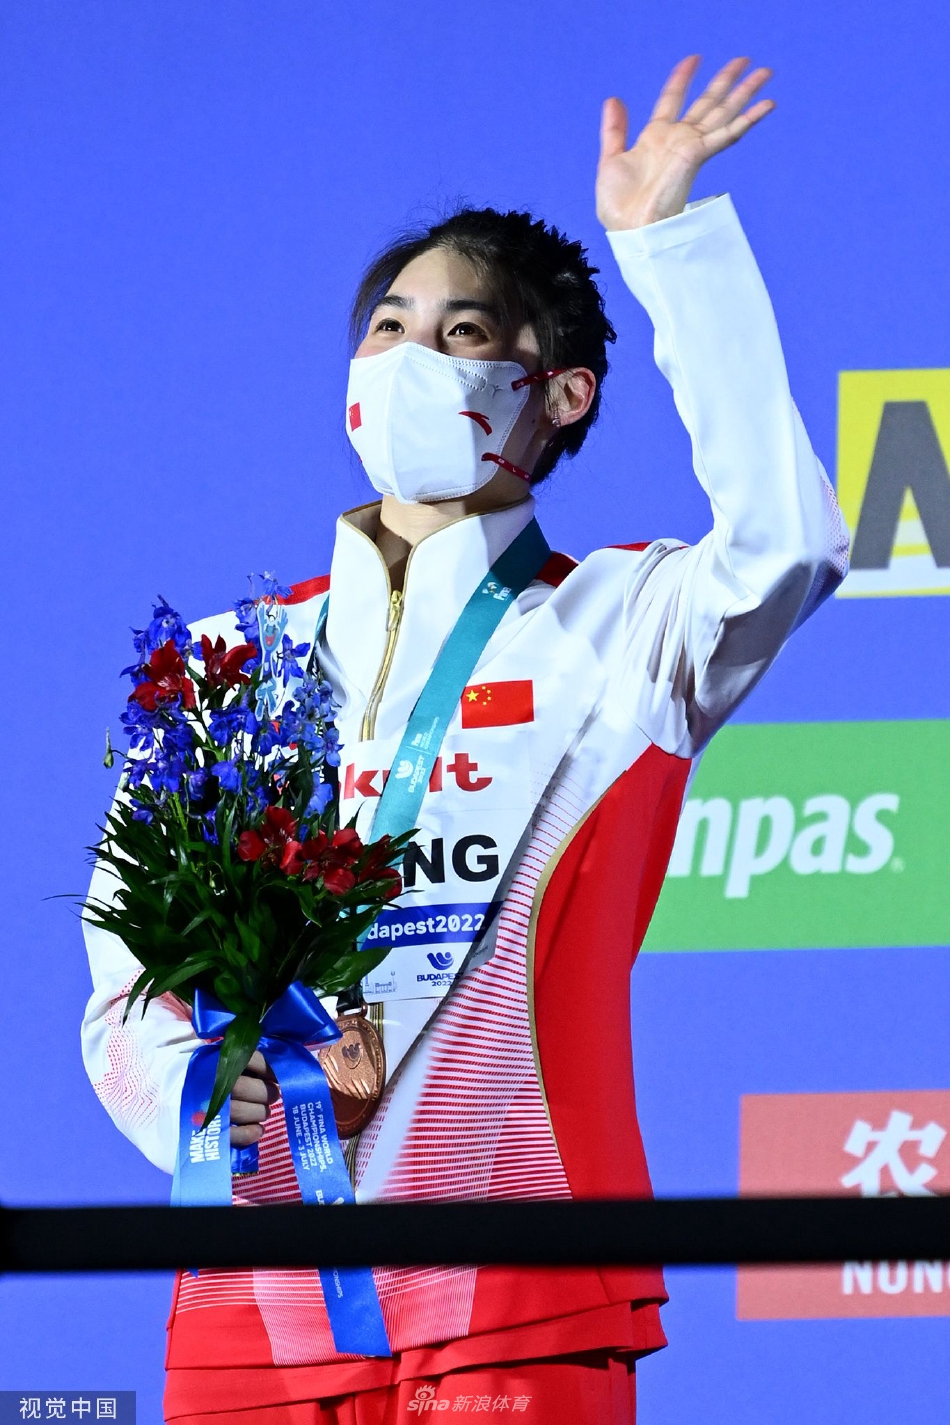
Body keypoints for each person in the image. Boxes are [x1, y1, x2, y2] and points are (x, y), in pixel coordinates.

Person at [81, 54, 849, 1425]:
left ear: (560, 394)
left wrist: (666, 246)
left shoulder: (623, 626)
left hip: (519, 1264)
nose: (406, 359)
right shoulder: (221, 663)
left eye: (461, 333)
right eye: (387, 327)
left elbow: (788, 543)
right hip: (255, 1291)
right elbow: (123, 981)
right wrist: (193, 1097)